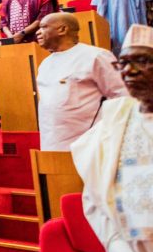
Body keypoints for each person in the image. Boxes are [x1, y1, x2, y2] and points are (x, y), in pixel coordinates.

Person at [71, 24, 153, 252]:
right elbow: (95, 202)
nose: (129, 71)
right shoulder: (113, 123)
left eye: (142, 61)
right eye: (124, 63)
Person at [35, 13, 125, 151]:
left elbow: (123, 96)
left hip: (91, 147)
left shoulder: (96, 56)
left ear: (62, 30)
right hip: (52, 145)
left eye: (43, 27)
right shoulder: (45, 64)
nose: (38, 32)